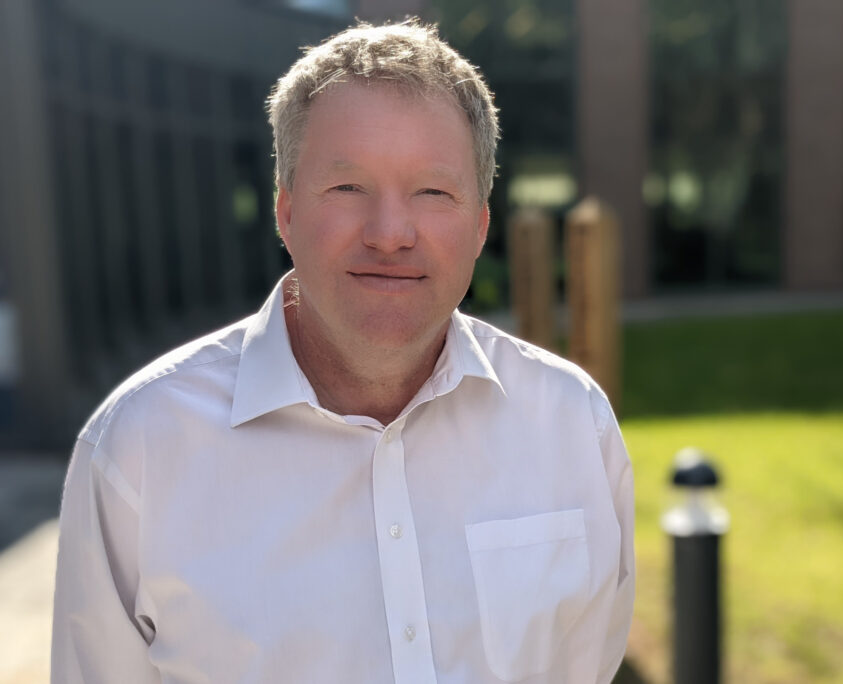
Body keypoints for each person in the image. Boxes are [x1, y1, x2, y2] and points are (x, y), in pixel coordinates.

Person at [51, 20, 634, 684]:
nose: (390, 234)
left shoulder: (572, 426)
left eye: (433, 192)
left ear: (479, 226)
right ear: (286, 212)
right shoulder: (139, 450)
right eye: (348, 188)